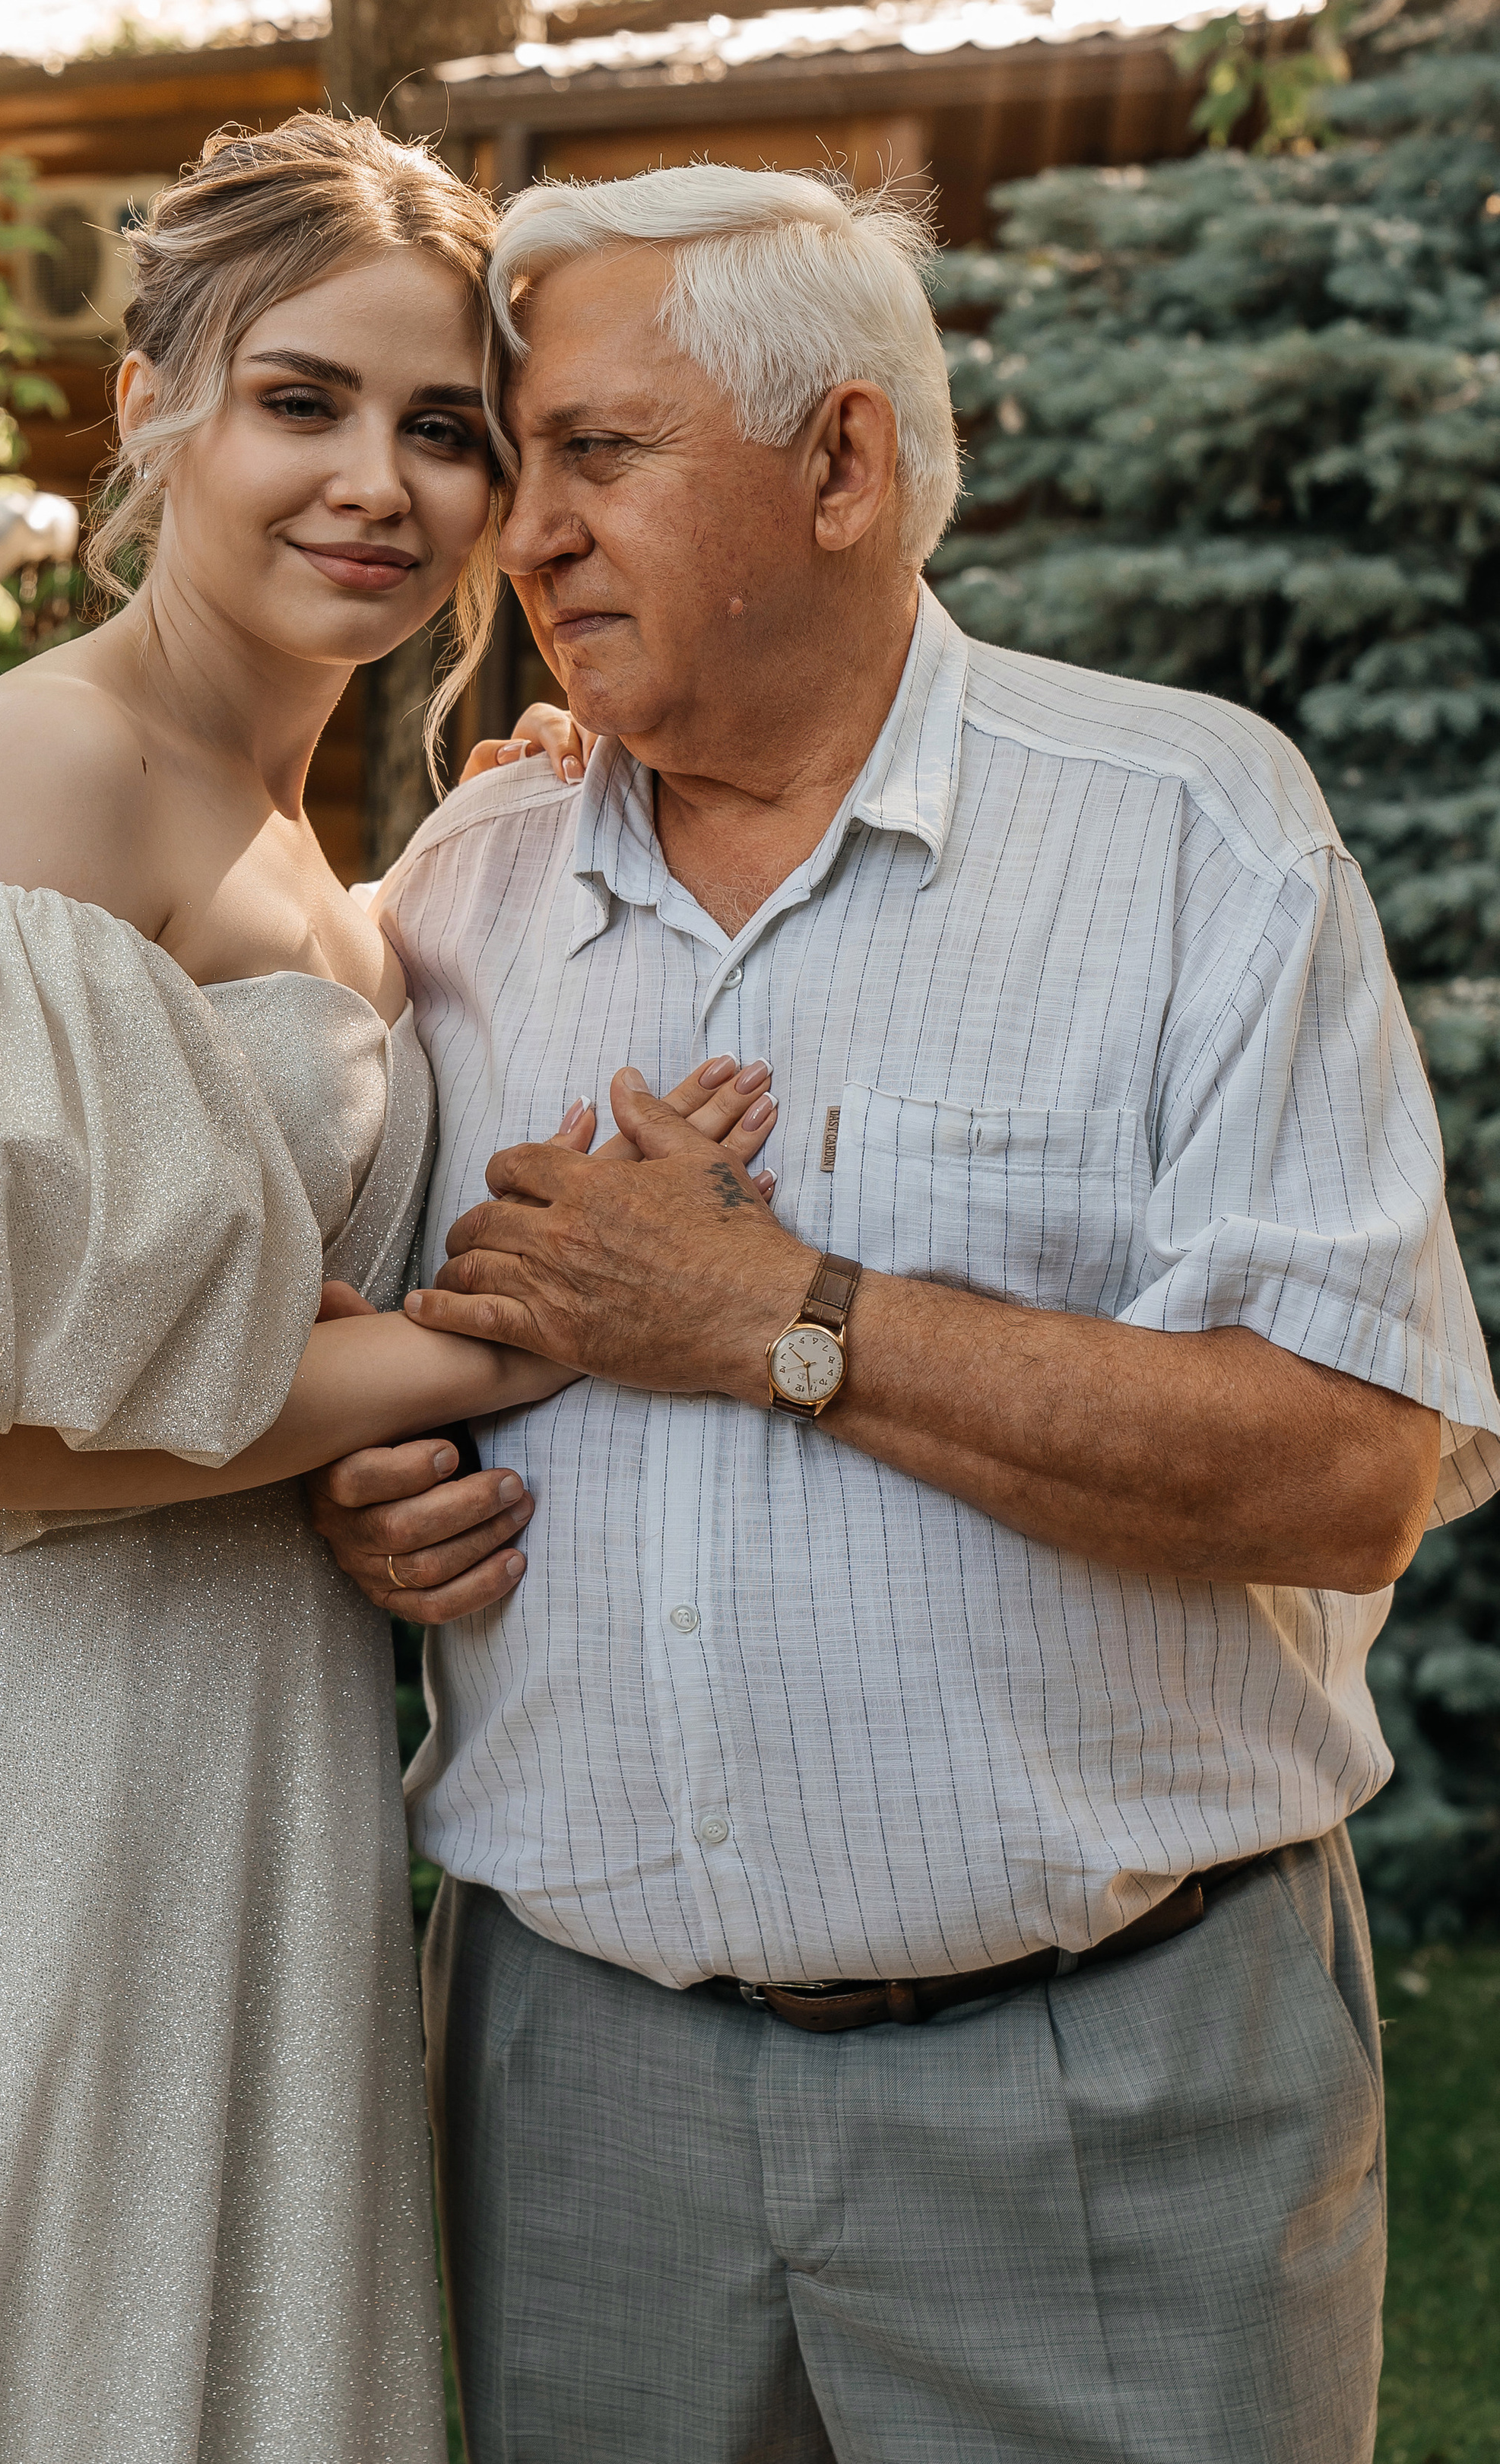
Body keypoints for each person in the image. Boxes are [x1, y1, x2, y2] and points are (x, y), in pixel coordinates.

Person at [310, 164, 1500, 2464]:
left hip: (1108, 2093)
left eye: (599, 453)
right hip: (581, 2098)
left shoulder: (1188, 833)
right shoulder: (470, 884)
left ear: (841, 463)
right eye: (514, 462)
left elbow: (1348, 1471)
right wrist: (383, 1493)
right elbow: (404, 1353)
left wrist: (782, 1313)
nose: (520, 534)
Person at [0, 113, 773, 2464]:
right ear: (155, 402)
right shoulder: (49, 770)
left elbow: (243, 1290)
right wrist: (515, 1330)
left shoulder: (315, 836)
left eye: (441, 428)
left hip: (260, 1768)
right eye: (302, 400)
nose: (378, 482)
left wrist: (537, 821)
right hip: (31, 1782)